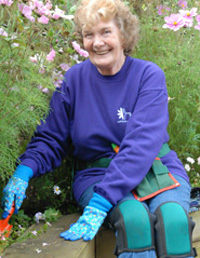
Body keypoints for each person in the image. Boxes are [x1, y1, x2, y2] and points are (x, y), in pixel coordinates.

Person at [1, 0, 196, 257]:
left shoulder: (149, 75)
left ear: (124, 36)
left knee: (174, 221)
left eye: (106, 32)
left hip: (156, 168)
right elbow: (51, 137)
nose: (97, 42)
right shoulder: (73, 80)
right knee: (133, 222)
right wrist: (23, 173)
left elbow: (141, 143)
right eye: (88, 34)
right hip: (97, 175)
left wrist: (101, 203)